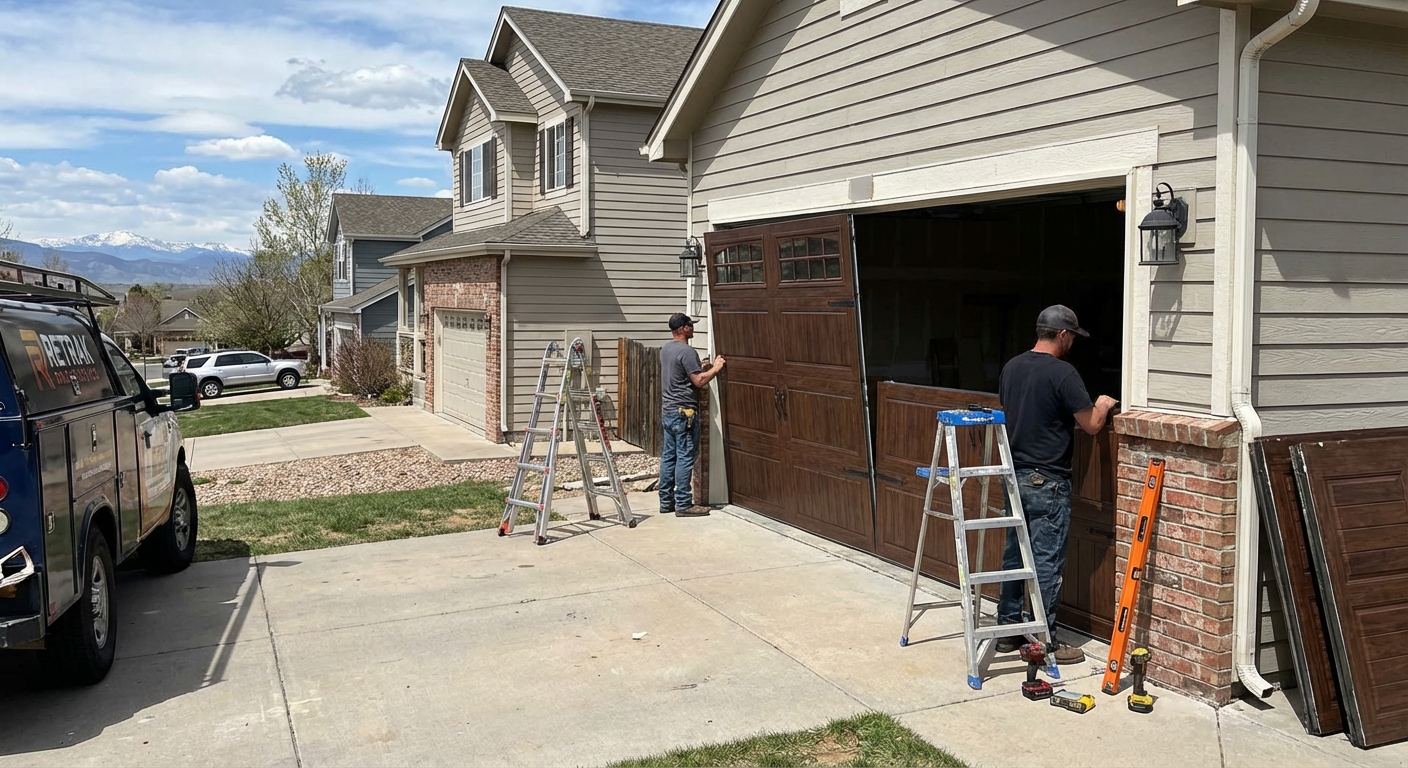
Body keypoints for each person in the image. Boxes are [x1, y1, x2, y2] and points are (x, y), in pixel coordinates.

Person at [995, 305, 1118, 664]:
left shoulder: (1012, 367)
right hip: (1047, 479)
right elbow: (1092, 424)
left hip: (1013, 474)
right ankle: (1043, 641)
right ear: (1063, 335)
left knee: (1016, 555)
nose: (1073, 345)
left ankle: (1007, 631)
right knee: (1046, 563)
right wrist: (1104, 403)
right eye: (1073, 338)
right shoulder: (1063, 373)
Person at [659, 312, 725, 517]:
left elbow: (685, 374)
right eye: (690, 325)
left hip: (669, 411)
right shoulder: (687, 351)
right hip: (684, 413)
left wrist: (702, 367)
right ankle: (684, 504)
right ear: (683, 329)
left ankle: (666, 502)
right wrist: (715, 369)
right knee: (685, 457)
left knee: (669, 457)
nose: (693, 328)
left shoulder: (666, 349)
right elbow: (698, 381)